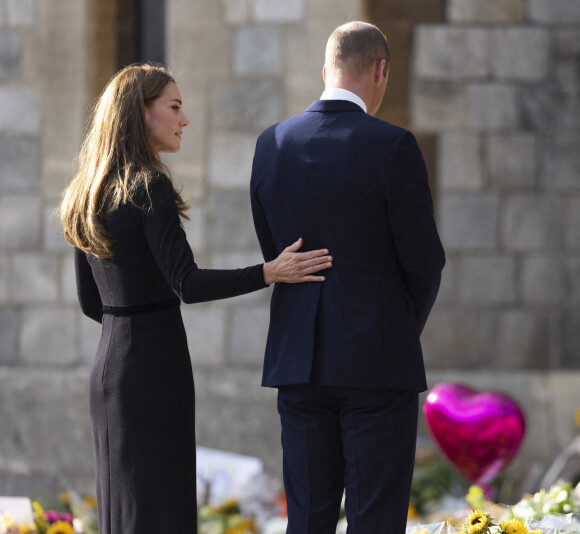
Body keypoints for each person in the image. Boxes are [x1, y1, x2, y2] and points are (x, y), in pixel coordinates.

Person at [59, 63, 332, 534]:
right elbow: (187, 283)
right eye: (175, 107)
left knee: (122, 510)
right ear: (140, 114)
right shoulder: (151, 186)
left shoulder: (85, 192)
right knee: (162, 506)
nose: (184, 120)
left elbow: (90, 301)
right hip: (154, 366)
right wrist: (269, 272)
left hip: (109, 369)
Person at [250, 21, 446, 533]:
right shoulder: (393, 146)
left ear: (325, 70)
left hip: (298, 361)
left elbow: (276, 251)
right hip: (376, 363)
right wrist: (397, 325)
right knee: (374, 520)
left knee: (308, 520)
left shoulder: (272, 144)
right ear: (381, 70)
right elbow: (425, 261)